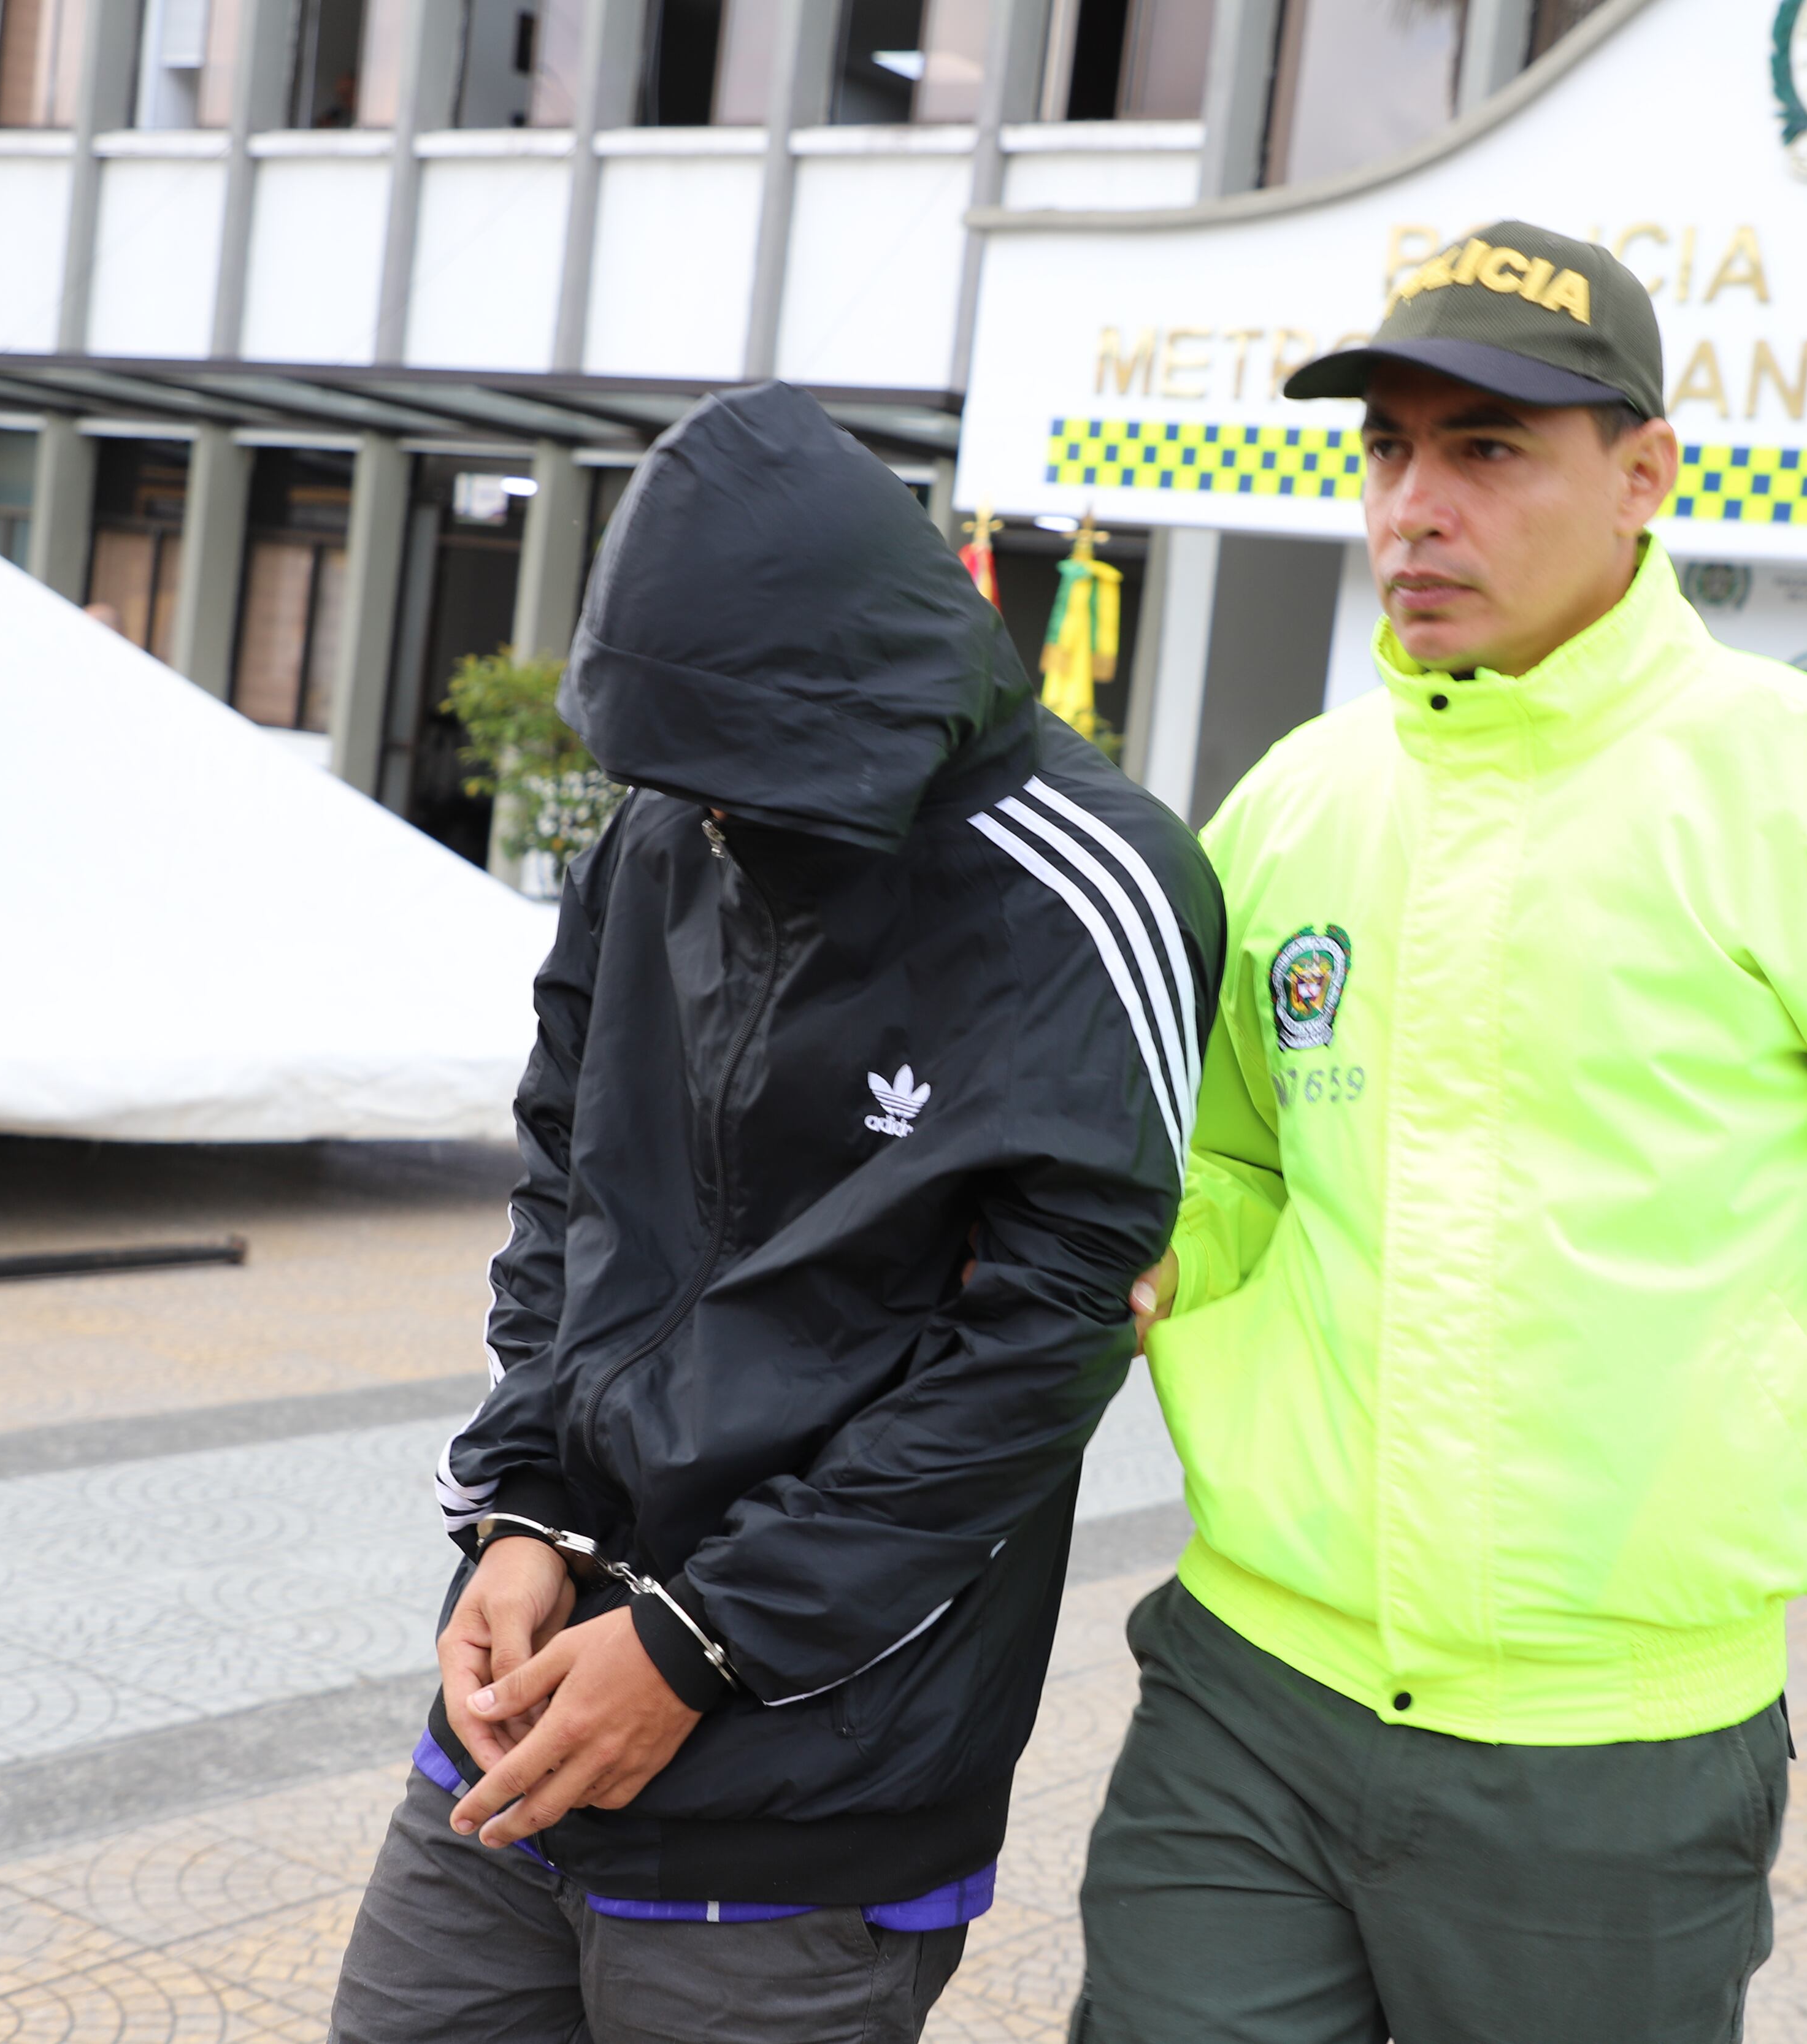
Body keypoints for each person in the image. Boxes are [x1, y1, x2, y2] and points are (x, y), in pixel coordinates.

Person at [1080, 221, 1807, 2043]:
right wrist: (1152, 1266)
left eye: (1486, 448)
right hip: (1247, 1690)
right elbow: (1231, 1163)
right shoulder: (1300, 799)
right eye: (1385, 448)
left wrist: (1703, 1540)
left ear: (1645, 475)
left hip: (1613, 1758)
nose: (1412, 508)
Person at [328, 380, 1226, 2044]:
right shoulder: (667, 828)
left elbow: (1037, 1354)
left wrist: (702, 1642)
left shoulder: (1091, 890)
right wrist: (525, 1511)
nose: (710, 817)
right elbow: (564, 1183)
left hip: (814, 1788)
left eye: (740, 775)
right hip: (531, 1701)